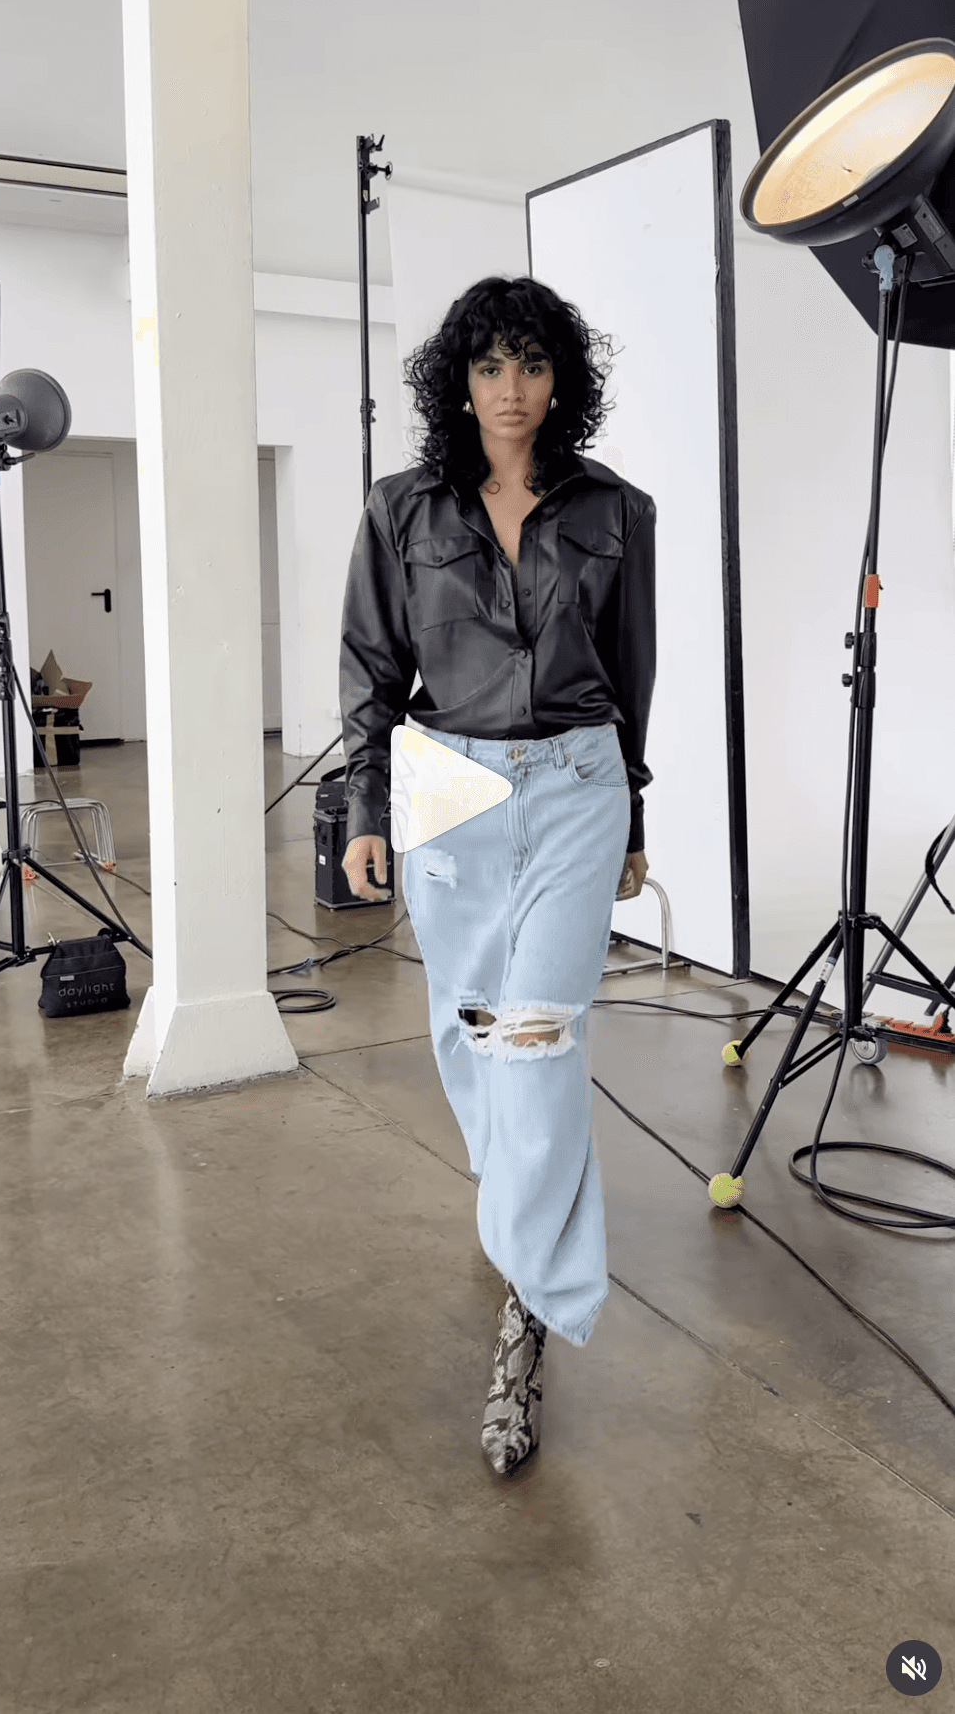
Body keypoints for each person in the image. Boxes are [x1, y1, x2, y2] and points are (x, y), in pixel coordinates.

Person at [338, 275, 656, 1476]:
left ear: (560, 379)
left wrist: (633, 823)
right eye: (488, 366)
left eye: (530, 364)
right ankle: (516, 1206)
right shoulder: (400, 510)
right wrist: (365, 807)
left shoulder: (617, 512)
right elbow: (371, 668)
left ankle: (529, 1311)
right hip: (447, 791)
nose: (510, 389)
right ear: (457, 382)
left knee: (539, 1035)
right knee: (472, 1032)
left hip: (576, 783)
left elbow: (631, 675)